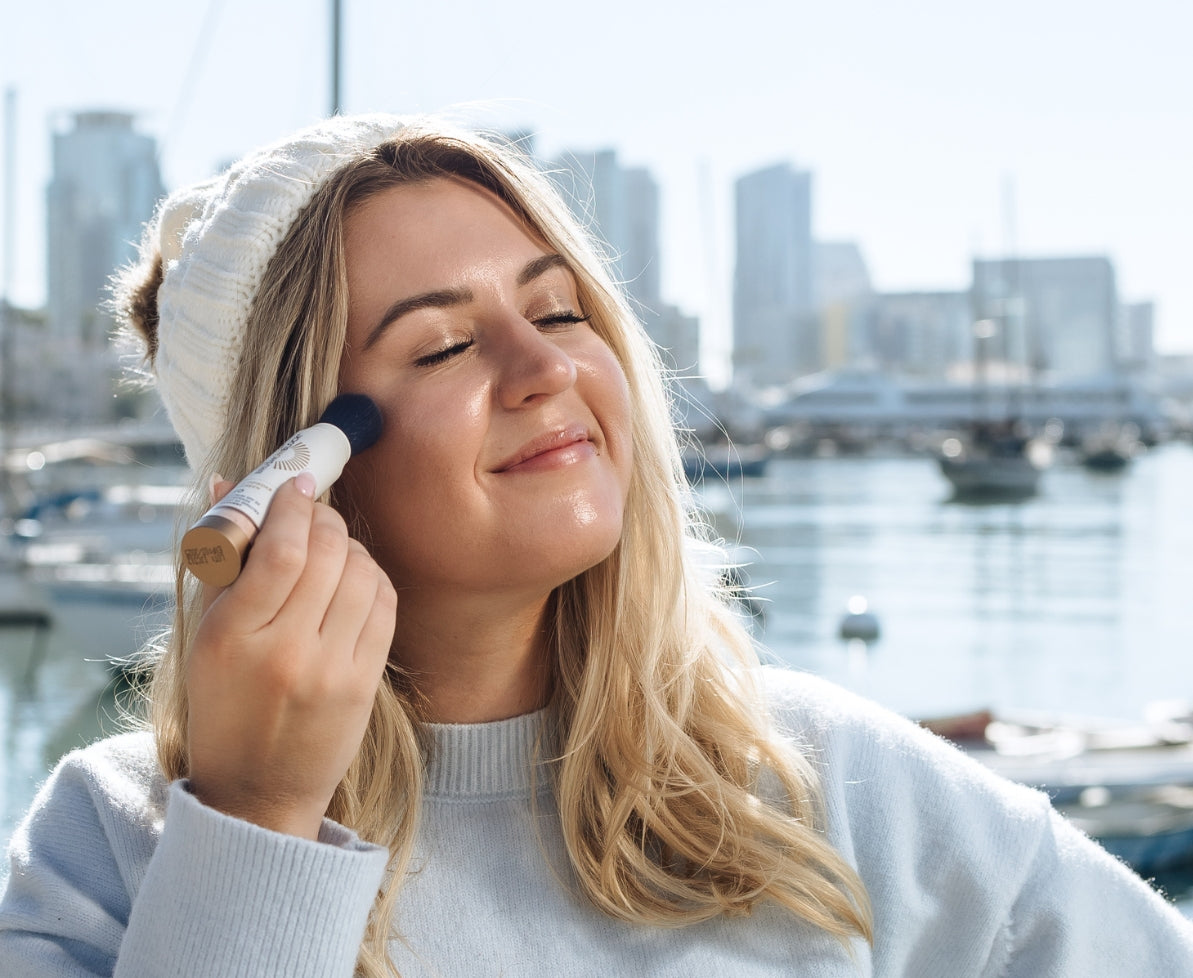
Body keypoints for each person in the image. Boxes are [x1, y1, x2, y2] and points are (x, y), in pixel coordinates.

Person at [0, 113, 1190, 978]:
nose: (547, 370)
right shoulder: (109, 847)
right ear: (287, 471)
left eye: (561, 310)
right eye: (439, 347)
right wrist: (256, 822)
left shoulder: (832, 790)